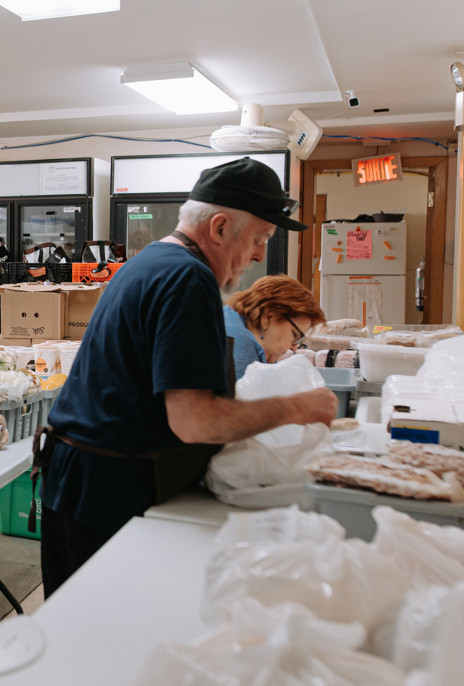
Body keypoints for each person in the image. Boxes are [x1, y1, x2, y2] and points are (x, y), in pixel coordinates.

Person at [35, 158, 338, 597]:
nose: (257, 254)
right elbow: (195, 420)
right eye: (259, 239)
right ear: (218, 228)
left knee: (77, 624)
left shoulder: (152, 262)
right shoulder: (187, 279)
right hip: (107, 493)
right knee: (100, 632)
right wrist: (297, 408)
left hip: (79, 483)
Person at [224, 274, 326, 379]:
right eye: (294, 335)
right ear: (268, 315)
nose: (294, 347)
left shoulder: (230, 316)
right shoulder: (239, 341)